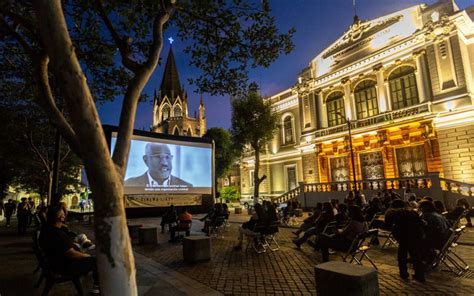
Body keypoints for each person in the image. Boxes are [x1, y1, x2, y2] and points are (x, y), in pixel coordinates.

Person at [39, 206, 100, 294]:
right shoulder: (57, 234)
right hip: (65, 267)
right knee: (96, 261)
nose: (65, 215)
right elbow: (71, 253)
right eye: (63, 214)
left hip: (55, 263)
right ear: (61, 218)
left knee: (89, 254)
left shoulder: (48, 229)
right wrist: (86, 256)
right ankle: (96, 288)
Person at [387, 202, 427, 282]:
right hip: (415, 236)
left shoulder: (397, 214)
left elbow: (392, 227)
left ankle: (403, 273)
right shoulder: (412, 213)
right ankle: (420, 275)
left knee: (402, 256)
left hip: (403, 237)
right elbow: (423, 223)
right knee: (416, 256)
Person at [124, 143, 192, 187]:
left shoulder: (187, 186)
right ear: (146, 160)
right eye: (158, 157)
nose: (164, 163)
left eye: (167, 157)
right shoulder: (129, 184)